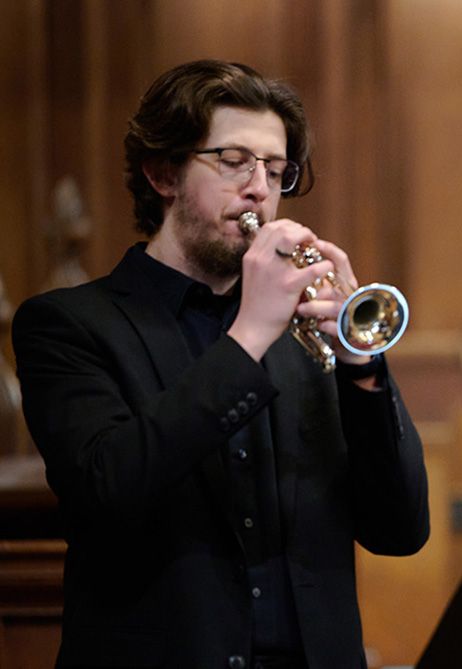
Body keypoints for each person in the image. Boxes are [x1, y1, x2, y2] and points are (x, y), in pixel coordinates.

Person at [12, 60, 429, 669]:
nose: (261, 187)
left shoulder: (305, 333)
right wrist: (251, 333)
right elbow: (107, 494)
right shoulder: (70, 324)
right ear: (162, 173)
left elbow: (400, 530)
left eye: (277, 171)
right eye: (234, 162)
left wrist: (361, 367)